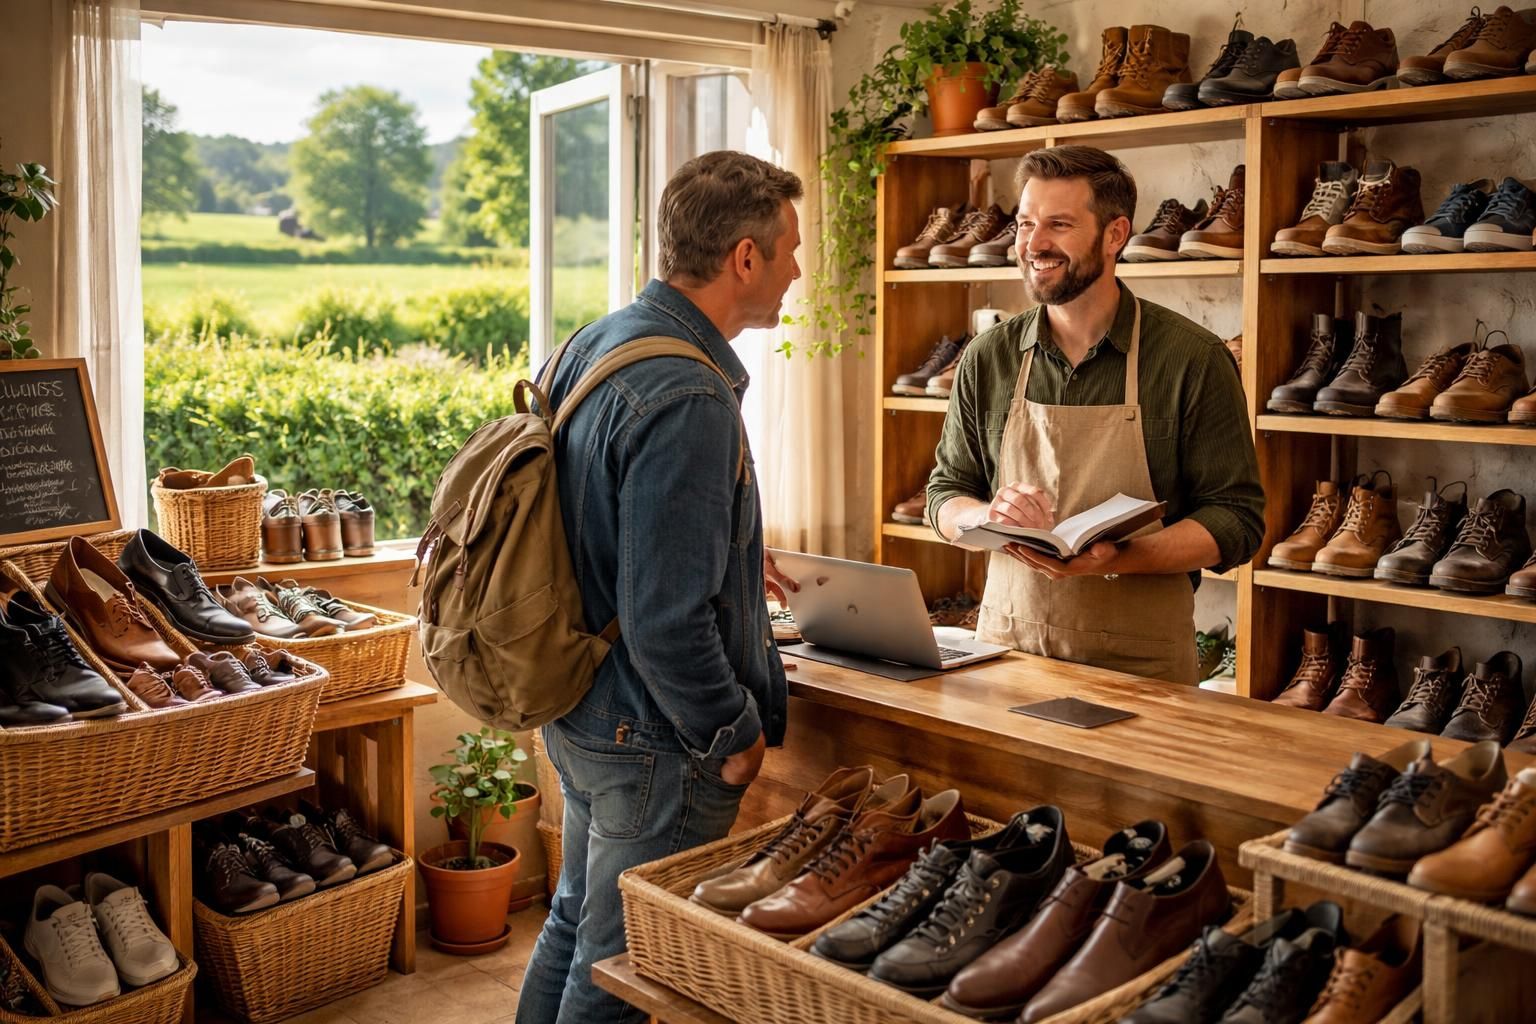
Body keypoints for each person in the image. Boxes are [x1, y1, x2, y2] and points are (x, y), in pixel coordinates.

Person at [517, 151, 801, 1023]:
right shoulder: (690, 394)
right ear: (744, 258)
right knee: (625, 964)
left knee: (573, 921)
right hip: (656, 736)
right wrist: (732, 731)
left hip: (581, 705)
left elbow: (589, 514)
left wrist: (719, 542)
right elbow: (666, 622)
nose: (799, 268)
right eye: (791, 247)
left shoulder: (599, 340)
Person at [928, 145, 1263, 684]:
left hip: (1141, 666)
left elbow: (1237, 522)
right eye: (1025, 223)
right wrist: (985, 518)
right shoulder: (988, 357)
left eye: (1058, 224)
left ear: (1115, 235)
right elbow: (944, 492)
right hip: (1008, 651)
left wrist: (1116, 557)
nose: (1034, 244)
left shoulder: (1191, 359)